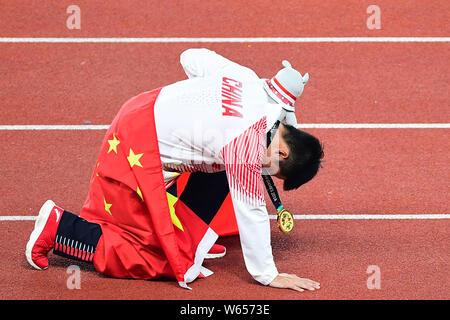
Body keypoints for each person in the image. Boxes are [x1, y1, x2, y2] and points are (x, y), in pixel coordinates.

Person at [25, 48, 324, 292]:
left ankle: (191, 241)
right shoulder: (245, 147)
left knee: (221, 168)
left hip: (139, 107)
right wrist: (268, 274)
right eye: (275, 171)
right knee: (154, 258)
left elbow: (190, 57)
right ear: (282, 151)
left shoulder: (247, 79)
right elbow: (253, 211)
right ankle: (59, 227)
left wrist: (210, 103)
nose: (266, 172)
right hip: (134, 147)